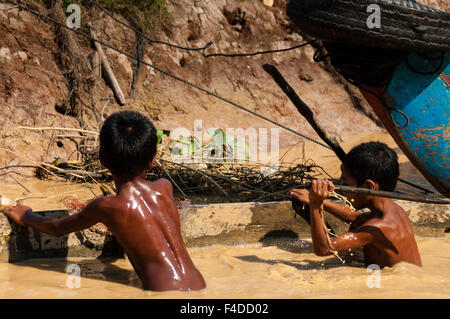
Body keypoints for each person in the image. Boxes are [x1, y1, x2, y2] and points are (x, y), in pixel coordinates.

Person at [3, 110, 206, 291]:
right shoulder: (165, 187)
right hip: (199, 283)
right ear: (153, 159)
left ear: (101, 159)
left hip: (162, 292)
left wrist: (26, 215)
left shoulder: (106, 206)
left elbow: (57, 228)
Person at [289, 142, 422, 268]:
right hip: (408, 278)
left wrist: (316, 205)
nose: (343, 190)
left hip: (395, 287)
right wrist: (322, 202)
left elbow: (325, 249)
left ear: (369, 186)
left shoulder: (379, 227)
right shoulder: (393, 210)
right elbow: (356, 217)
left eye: (346, 185)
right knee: (355, 225)